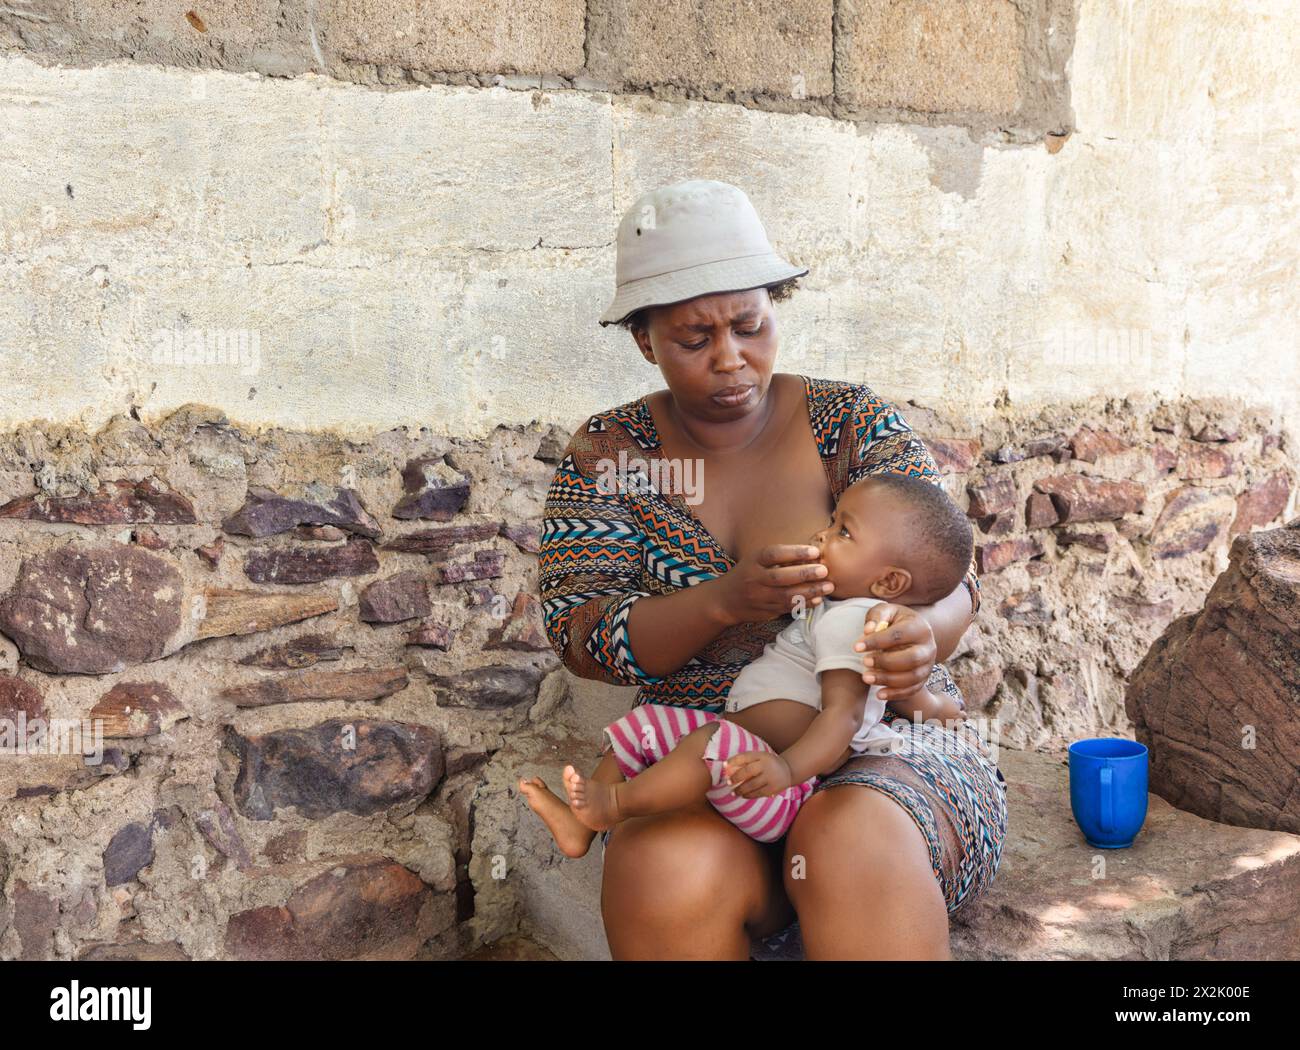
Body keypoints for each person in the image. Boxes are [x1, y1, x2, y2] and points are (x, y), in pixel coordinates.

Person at [520, 179, 1008, 960]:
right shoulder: (612, 456)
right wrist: (721, 600)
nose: (730, 359)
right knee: (660, 866)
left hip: (886, 745)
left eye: (750, 324)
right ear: (644, 340)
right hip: (713, 757)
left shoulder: (851, 423)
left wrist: (920, 634)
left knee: (848, 838)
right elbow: (582, 633)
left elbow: (951, 576)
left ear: (774, 306)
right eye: (693, 339)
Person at [524, 473, 975, 847]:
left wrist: (786, 769)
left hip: (772, 782)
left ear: (890, 583)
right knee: (647, 725)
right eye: (832, 520)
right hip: (751, 753)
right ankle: (580, 826)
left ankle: (615, 807)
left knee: (706, 746)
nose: (822, 534)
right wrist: (934, 707)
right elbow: (895, 696)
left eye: (844, 532)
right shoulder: (845, 612)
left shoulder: (851, 622)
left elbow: (843, 716)